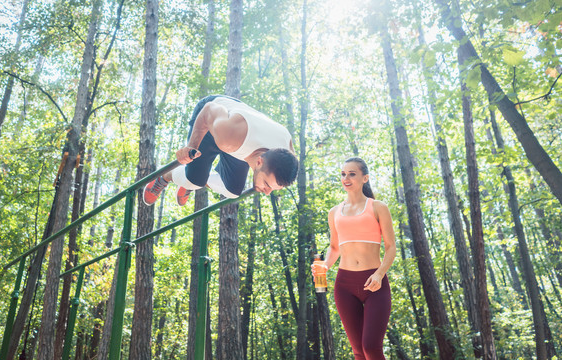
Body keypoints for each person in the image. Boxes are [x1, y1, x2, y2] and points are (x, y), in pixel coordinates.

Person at [143, 95, 299, 206]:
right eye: (267, 184)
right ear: (259, 161)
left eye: (271, 188)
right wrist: (190, 148)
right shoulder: (230, 137)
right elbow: (208, 110)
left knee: (232, 191)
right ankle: (167, 176)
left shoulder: (286, 154)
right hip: (212, 118)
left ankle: (192, 177)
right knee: (194, 180)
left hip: (237, 134)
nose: (267, 192)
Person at [311, 157, 396, 360]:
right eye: (343, 174)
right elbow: (333, 248)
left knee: (371, 348)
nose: (346, 178)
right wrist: (323, 267)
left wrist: (379, 274)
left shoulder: (378, 207)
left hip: (374, 283)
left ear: (365, 178)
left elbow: (391, 247)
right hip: (345, 285)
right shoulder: (334, 213)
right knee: (358, 352)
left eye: (352, 173)